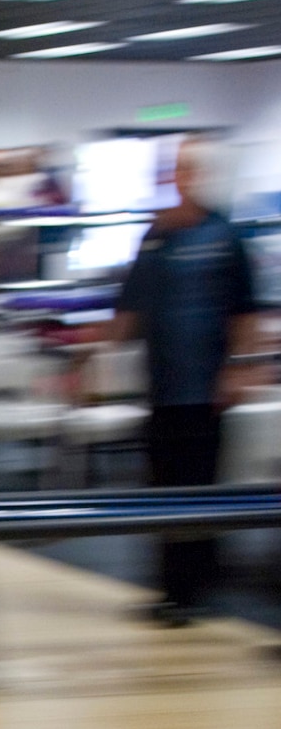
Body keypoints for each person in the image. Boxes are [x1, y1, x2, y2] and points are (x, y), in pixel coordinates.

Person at [105, 139, 267, 626]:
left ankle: (195, 591)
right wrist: (89, 358)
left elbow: (245, 312)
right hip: (162, 389)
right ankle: (172, 589)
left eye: (183, 169)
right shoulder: (155, 239)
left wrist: (238, 368)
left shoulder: (225, 238)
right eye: (171, 170)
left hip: (206, 393)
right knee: (162, 491)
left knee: (199, 489)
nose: (176, 178)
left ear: (199, 175)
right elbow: (128, 312)